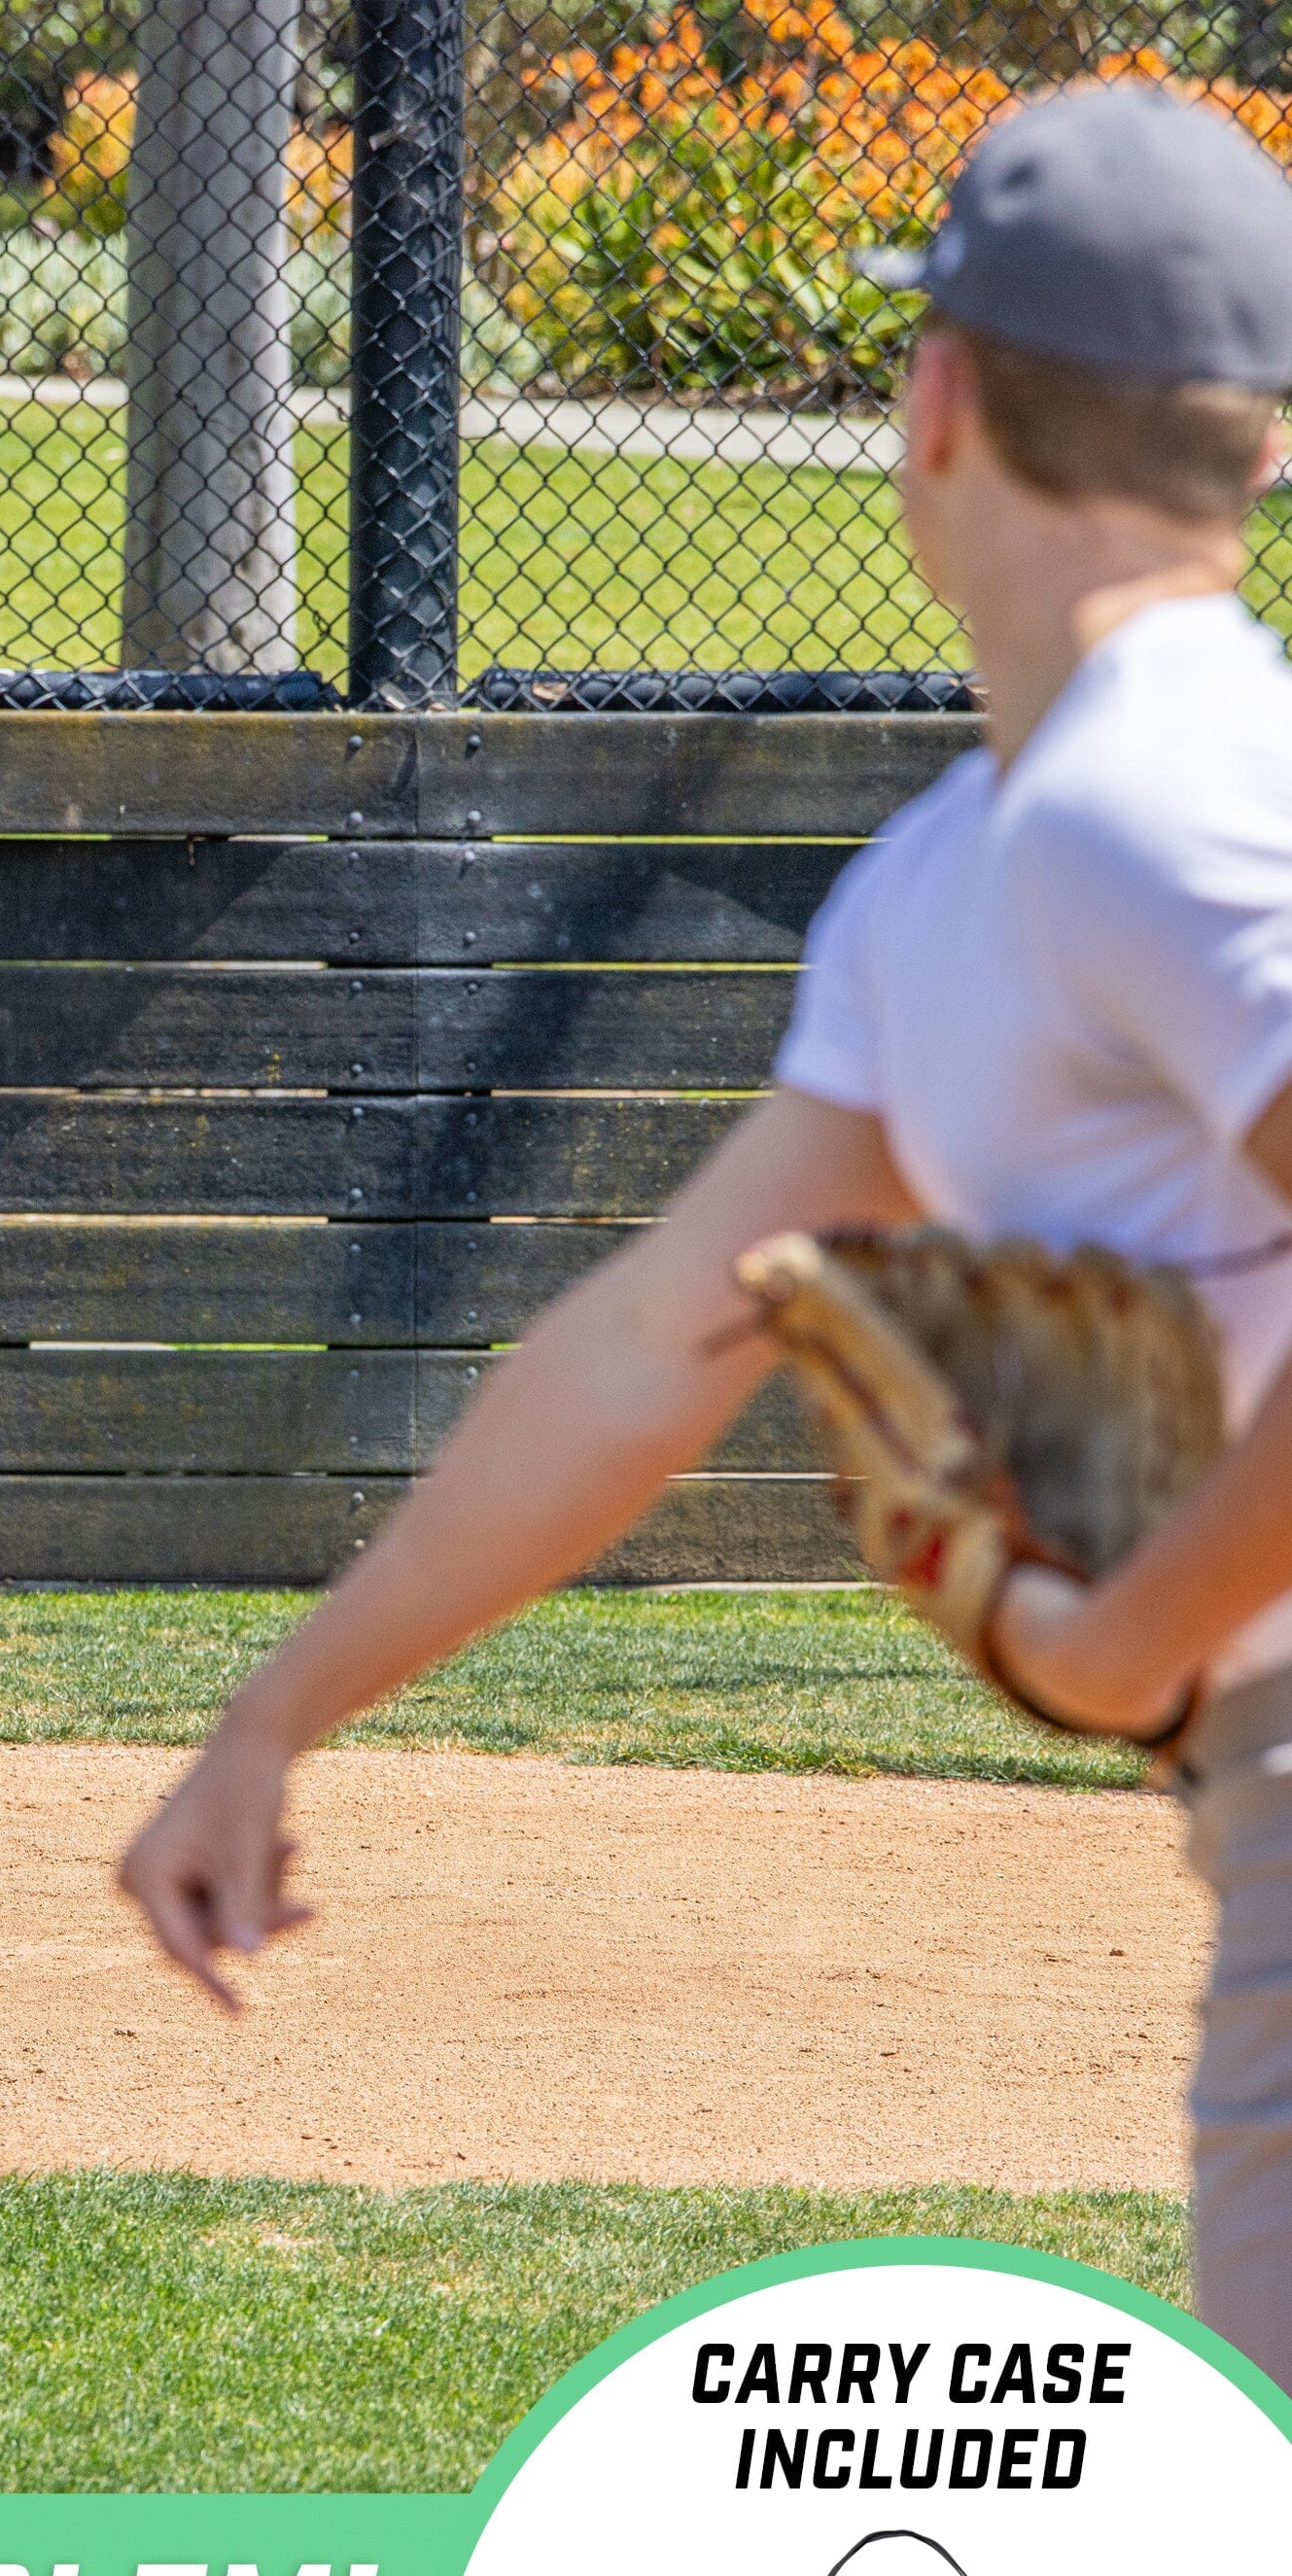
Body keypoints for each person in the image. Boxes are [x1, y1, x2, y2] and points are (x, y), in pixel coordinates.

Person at [119, 84, 1292, 2385]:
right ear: (1251, 447)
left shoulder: (1157, 799)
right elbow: (662, 1338)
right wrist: (282, 1712)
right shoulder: (958, 880)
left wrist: (1119, 1630)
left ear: (933, 403)